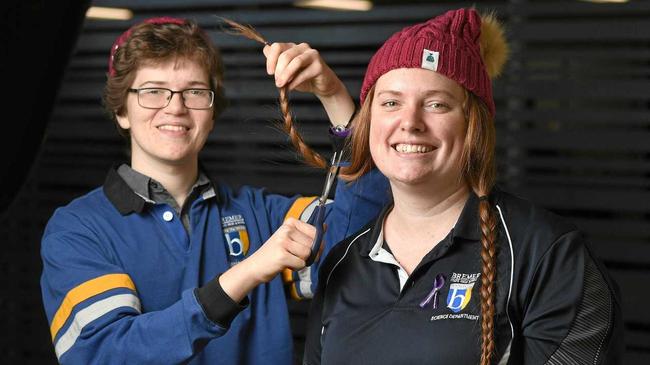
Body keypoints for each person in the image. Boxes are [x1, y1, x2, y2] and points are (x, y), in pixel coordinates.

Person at [40, 17, 389, 364]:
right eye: (153, 91)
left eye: (194, 91)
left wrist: (334, 97)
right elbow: (108, 353)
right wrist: (246, 273)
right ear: (121, 111)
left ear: (212, 111)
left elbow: (358, 236)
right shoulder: (77, 230)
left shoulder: (260, 216)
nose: (175, 107)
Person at [303, 8, 624, 365]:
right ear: (368, 122)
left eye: (437, 104)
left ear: (474, 126)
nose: (410, 123)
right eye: (391, 102)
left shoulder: (549, 255)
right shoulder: (341, 263)